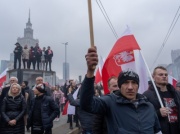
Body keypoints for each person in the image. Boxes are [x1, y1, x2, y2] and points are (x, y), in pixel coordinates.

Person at [80, 47, 162, 134]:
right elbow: (86, 104)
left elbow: (157, 130)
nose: (130, 87)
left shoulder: (149, 106)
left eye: (134, 82)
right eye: (126, 83)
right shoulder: (110, 102)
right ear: (119, 86)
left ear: (138, 86)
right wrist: (90, 72)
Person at [143, 66, 180, 134]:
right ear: (153, 76)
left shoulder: (176, 93)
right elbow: (143, 116)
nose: (164, 76)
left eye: (166, 74)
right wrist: (158, 113)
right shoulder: (147, 95)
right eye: (161, 74)